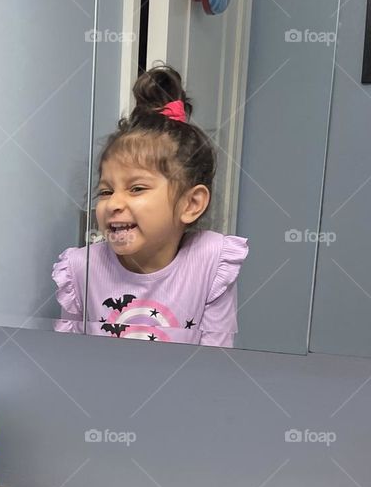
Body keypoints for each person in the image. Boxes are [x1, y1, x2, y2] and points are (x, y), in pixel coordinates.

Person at [54, 65, 248, 345]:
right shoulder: (80, 268)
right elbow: (67, 356)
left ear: (191, 204)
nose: (114, 203)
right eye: (106, 191)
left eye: (136, 188)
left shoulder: (211, 262)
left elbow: (214, 361)